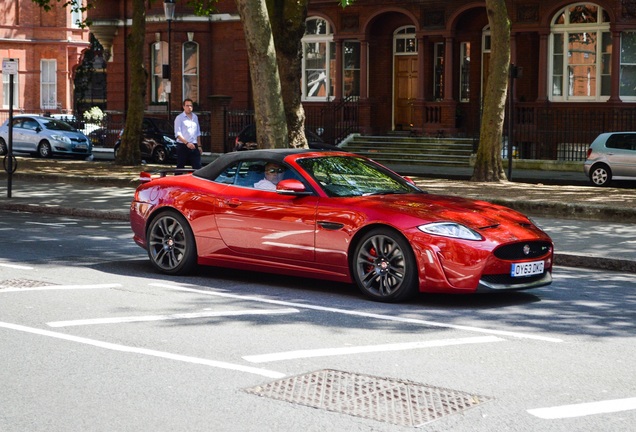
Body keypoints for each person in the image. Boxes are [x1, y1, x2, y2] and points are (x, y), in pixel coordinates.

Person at [174, 98, 202, 169]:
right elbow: (178, 134)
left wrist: (199, 146)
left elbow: (198, 132)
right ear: (183, 107)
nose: (189, 107)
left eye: (191, 105)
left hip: (194, 145)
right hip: (183, 145)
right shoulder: (179, 118)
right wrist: (187, 143)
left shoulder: (195, 117)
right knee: (180, 166)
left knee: (197, 167)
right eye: (187, 105)